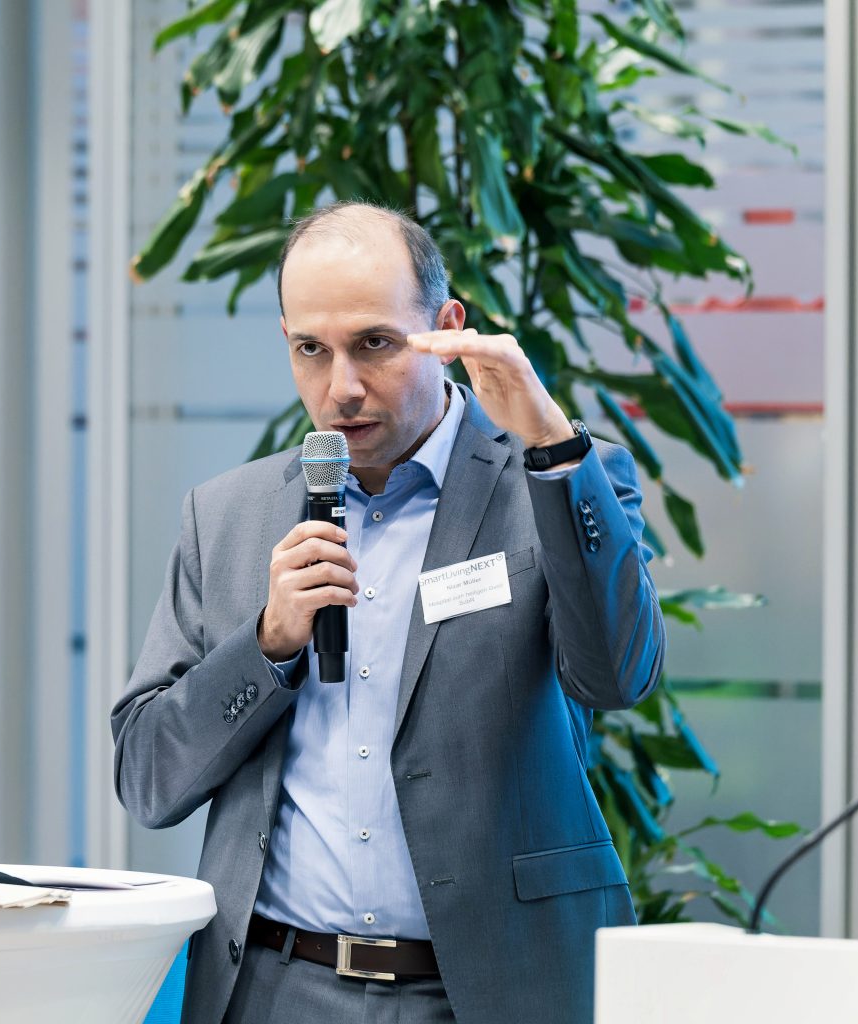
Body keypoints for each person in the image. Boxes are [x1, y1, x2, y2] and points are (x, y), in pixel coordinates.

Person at [112, 201, 665, 1024]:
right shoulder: (225, 517)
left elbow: (620, 676)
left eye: (375, 343)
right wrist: (266, 646)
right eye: (311, 350)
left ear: (447, 328)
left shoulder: (557, 479)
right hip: (274, 987)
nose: (341, 388)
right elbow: (148, 777)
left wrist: (551, 449)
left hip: (489, 991)